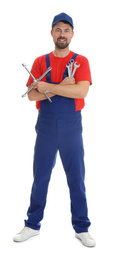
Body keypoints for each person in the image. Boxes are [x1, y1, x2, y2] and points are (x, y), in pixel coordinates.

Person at [13, 12, 95, 247]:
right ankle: (32, 225)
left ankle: (82, 228)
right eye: (58, 29)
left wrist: (47, 87)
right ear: (51, 33)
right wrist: (61, 86)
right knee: (40, 178)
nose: (62, 34)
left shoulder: (81, 61)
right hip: (46, 128)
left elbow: (81, 92)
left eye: (66, 30)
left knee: (76, 179)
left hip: (71, 128)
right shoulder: (40, 61)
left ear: (72, 34)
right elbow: (31, 96)